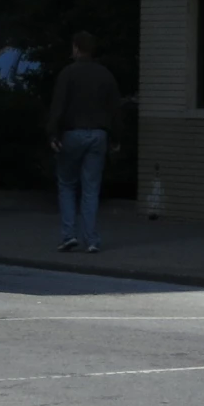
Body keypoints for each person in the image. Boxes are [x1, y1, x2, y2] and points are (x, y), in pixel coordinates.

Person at [47, 33, 120, 254]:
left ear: (76, 48)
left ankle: (69, 235)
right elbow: (115, 109)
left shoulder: (68, 74)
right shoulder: (105, 75)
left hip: (72, 134)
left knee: (67, 184)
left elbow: (57, 107)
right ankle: (92, 240)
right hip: (98, 135)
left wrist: (52, 134)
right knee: (91, 188)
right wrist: (116, 139)